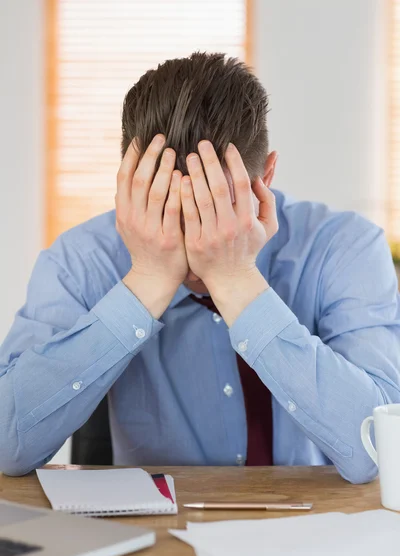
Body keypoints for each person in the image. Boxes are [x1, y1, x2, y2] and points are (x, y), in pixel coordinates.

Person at [1, 52, 399, 483]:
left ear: (266, 177)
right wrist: (147, 281)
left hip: (315, 532)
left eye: (215, 210)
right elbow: (7, 445)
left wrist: (236, 280)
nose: (196, 244)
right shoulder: (81, 259)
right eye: (170, 212)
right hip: (154, 540)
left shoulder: (345, 246)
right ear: (129, 183)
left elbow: (380, 453)